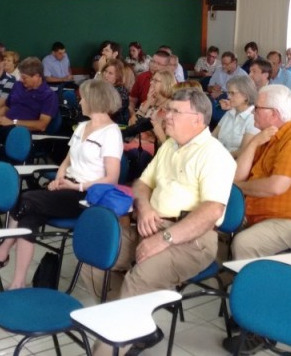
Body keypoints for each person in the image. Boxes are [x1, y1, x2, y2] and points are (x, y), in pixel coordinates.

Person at [89, 87, 236, 356]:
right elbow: (142, 183)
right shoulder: (170, 145)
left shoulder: (215, 155)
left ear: (198, 119)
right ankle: (139, 328)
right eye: (168, 110)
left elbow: (212, 212)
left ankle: (109, 349)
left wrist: (165, 238)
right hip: (151, 224)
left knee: (139, 277)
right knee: (97, 261)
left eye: (174, 112)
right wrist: (144, 208)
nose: (166, 117)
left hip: (192, 239)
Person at [0, 80, 123, 288]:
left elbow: (112, 179)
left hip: (87, 195)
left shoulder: (111, 133)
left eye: (83, 98)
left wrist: (76, 186)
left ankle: (2, 251)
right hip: (66, 187)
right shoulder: (81, 127)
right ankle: (18, 282)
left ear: (95, 101)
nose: (80, 102)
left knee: (26, 198)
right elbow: (67, 161)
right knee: (29, 215)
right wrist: (59, 178)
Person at [224, 84, 291, 353]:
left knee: (246, 244)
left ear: (275, 113)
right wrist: (254, 142)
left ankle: (260, 326)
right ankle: (240, 296)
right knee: (215, 228)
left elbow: (274, 187)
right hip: (260, 213)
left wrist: (239, 189)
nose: (254, 112)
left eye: (258, 108)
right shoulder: (267, 138)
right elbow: (238, 177)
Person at [0, 57, 58, 132]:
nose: (21, 80)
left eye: (24, 78)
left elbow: (42, 125)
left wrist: (13, 122)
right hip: (4, 126)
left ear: (36, 76)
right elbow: (7, 108)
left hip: (23, 132)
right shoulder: (17, 85)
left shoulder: (49, 95)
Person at [212, 76, 259, 157]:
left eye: (232, 93)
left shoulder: (253, 118)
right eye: (228, 93)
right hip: (216, 156)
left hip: (234, 162)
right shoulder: (229, 113)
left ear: (245, 95)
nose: (228, 97)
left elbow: (244, 151)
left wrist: (220, 157)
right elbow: (213, 136)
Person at [127, 50, 170, 123]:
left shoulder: (173, 84)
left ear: (167, 67)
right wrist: (135, 115)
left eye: (159, 64)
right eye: (153, 62)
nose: (154, 65)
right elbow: (131, 101)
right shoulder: (142, 77)